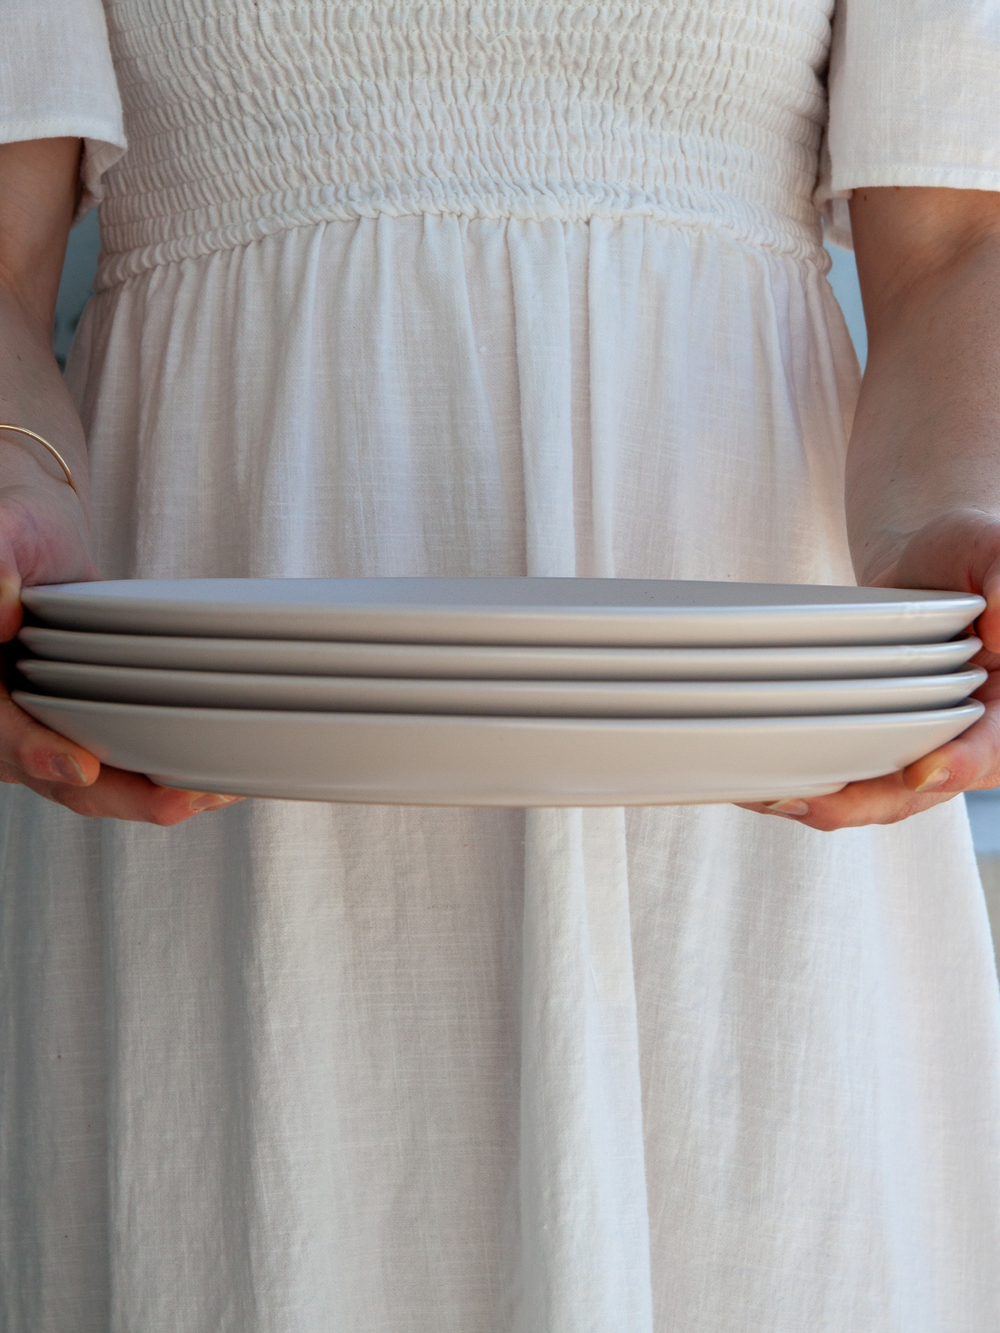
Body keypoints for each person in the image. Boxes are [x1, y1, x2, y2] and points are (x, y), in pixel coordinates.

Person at [1, 1, 999, 1328]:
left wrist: (961, 526)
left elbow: (952, 250)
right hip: (188, 727)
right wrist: (15, 490)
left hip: (759, 733)